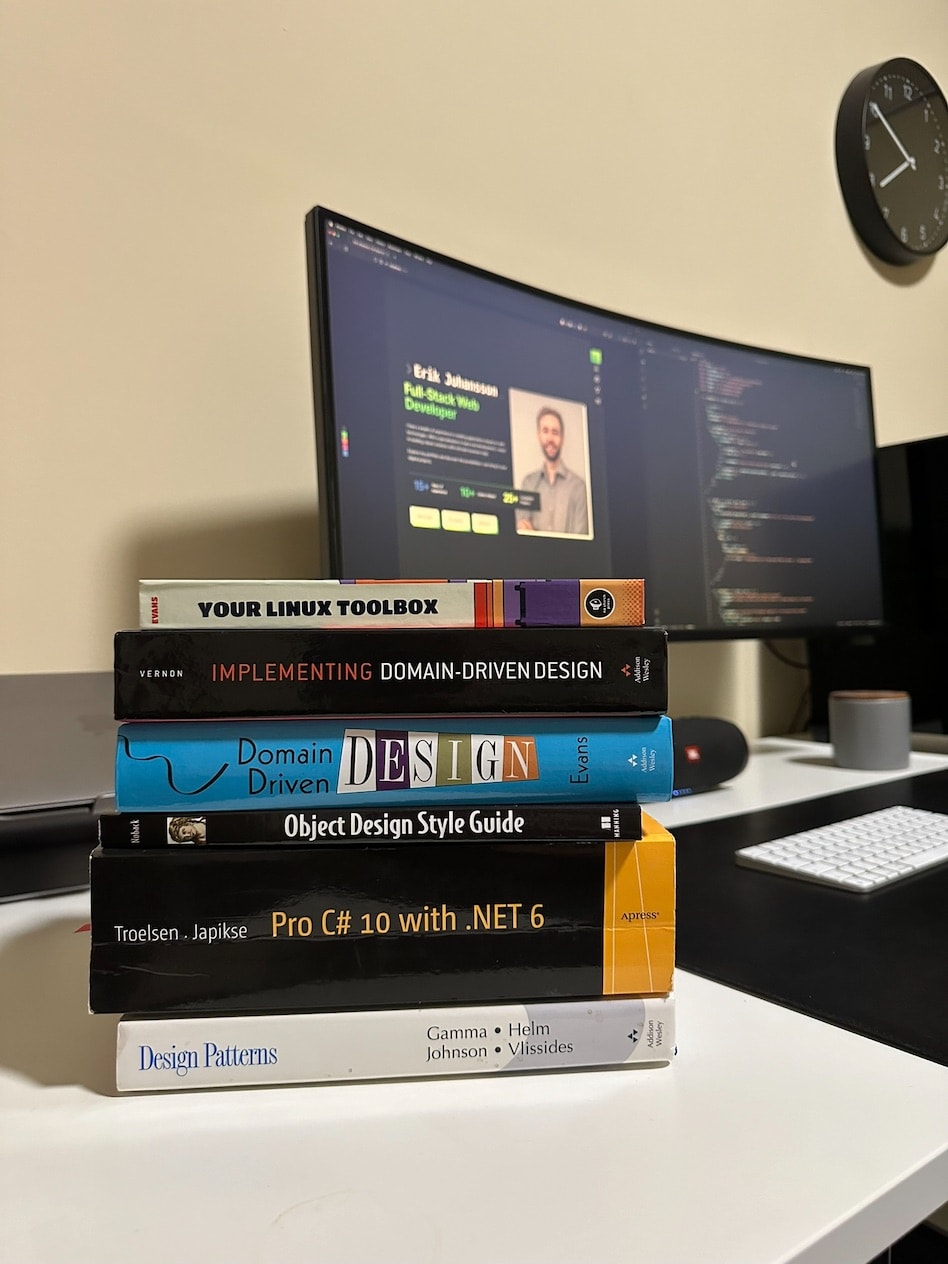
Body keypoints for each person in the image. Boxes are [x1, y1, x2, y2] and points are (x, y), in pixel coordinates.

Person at [516, 405, 589, 535]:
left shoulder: (578, 487)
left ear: (562, 439)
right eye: (545, 431)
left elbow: (581, 537)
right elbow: (523, 532)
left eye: (555, 432)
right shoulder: (528, 484)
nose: (550, 438)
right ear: (539, 435)